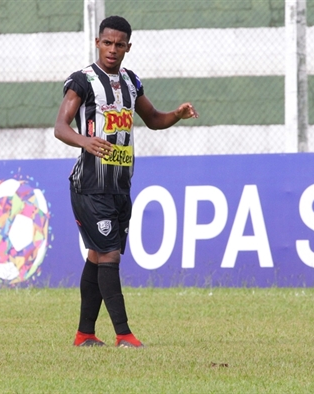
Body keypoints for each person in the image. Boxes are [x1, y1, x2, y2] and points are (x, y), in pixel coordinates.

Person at [54, 16, 198, 348]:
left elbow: (154, 119)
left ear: (128, 48)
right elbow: (61, 127)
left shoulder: (131, 82)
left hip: (120, 185)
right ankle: (124, 334)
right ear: (97, 42)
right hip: (90, 185)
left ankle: (84, 334)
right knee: (110, 257)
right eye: (108, 43)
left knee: (97, 255)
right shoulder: (83, 81)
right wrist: (84, 141)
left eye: (120, 44)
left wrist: (175, 115)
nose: (113, 49)